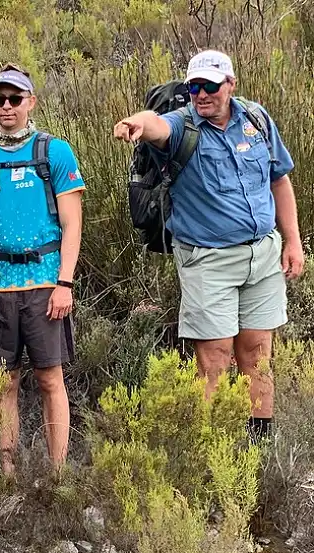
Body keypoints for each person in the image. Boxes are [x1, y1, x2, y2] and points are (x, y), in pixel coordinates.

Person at [114, 49, 303, 439]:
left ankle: (256, 450)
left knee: (257, 355)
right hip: (208, 261)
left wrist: (293, 242)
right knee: (214, 358)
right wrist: (136, 123)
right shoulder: (184, 126)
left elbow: (279, 180)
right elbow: (156, 125)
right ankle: (208, 449)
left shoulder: (256, 118)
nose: (201, 95)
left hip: (262, 254)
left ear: (230, 85)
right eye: (194, 87)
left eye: (210, 87)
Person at [0, 65, 85, 474]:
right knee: (4, 384)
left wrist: (64, 282)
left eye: (16, 99)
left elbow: (72, 223)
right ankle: (7, 475)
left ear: (31, 102)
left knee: (50, 379)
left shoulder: (54, 153)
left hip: (45, 284)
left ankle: (57, 473)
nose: (7, 107)